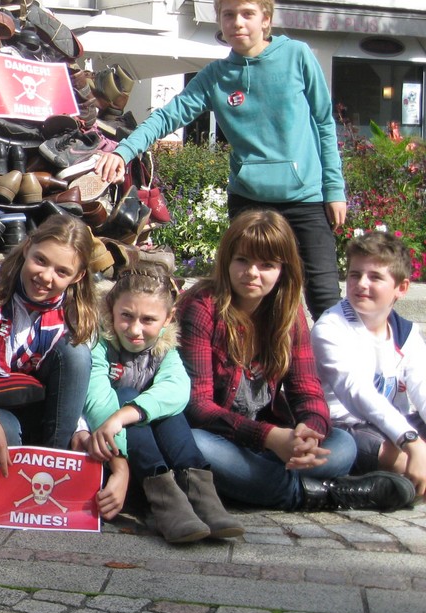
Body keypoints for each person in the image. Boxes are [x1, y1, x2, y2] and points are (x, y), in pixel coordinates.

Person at [95, 0, 345, 321]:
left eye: (247, 14)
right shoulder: (215, 76)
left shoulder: (297, 56)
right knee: (248, 299)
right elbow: (166, 117)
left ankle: (330, 372)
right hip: (249, 199)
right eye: (228, 15)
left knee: (324, 295)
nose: (237, 22)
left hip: (305, 198)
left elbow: (324, 123)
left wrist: (334, 190)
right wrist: (122, 151)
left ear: (266, 19)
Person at [178, 210, 415, 511]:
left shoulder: (288, 314)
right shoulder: (202, 306)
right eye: (242, 260)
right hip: (219, 434)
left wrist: (308, 432)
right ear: (226, 260)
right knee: (196, 446)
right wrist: (270, 437)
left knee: (342, 445)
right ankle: (326, 495)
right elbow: (198, 406)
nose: (252, 272)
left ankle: (247, 483)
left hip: (270, 445)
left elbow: (308, 391)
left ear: (283, 269)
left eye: (266, 265)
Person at [76, 261, 243, 544]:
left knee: (167, 412)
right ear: (110, 308)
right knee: (127, 396)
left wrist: (128, 414)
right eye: (126, 316)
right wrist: (120, 422)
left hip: (150, 444)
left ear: (168, 319)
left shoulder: (165, 349)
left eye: (148, 320)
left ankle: (202, 497)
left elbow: (177, 390)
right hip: (118, 456)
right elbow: (96, 400)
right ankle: (166, 504)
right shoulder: (101, 344)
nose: (135, 329)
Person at [0, 216, 97, 499]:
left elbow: (72, 386)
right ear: (27, 247)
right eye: (41, 260)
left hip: (34, 400)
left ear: (78, 276)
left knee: (77, 354)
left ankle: (55, 465)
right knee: (6, 433)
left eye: (62, 271)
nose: (46, 276)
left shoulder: (75, 312)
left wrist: (79, 428)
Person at [312, 231, 426, 499]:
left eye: (375, 277)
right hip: (347, 427)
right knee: (367, 442)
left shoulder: (405, 332)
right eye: (355, 275)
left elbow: (422, 389)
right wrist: (411, 442)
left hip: (395, 425)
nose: (361, 284)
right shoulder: (331, 328)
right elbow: (359, 394)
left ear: (402, 288)